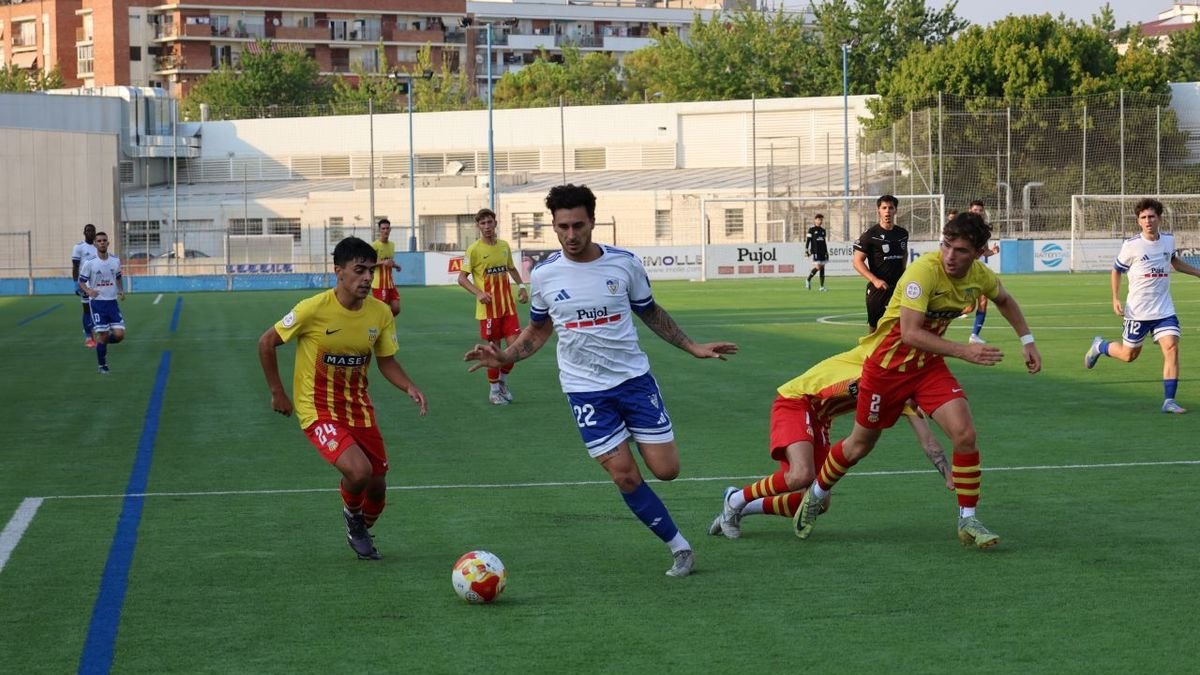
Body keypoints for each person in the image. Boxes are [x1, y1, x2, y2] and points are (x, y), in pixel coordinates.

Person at [464, 184, 737, 577]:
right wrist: (505, 356)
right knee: (625, 475)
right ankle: (680, 548)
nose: (571, 235)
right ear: (554, 227)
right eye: (563, 227)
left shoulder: (623, 264)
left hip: (633, 381)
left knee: (666, 470)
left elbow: (650, 312)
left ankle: (719, 501)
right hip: (585, 390)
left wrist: (691, 346)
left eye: (578, 225)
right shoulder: (543, 275)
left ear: (592, 221)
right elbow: (538, 330)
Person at [794, 212, 1042, 549]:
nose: (950, 256)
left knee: (965, 434)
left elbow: (1005, 300)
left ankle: (968, 520)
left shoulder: (980, 275)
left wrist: (1027, 341)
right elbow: (909, 334)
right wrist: (964, 351)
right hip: (885, 369)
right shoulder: (924, 271)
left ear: (980, 252)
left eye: (961, 250)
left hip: (928, 368)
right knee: (860, 445)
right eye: (946, 246)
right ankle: (815, 495)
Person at [258, 236, 428, 561]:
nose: (367, 278)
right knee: (359, 472)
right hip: (318, 409)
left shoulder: (380, 313)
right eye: (359, 270)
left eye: (371, 272)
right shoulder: (313, 309)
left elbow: (386, 360)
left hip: (359, 410)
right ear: (339, 271)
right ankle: (353, 520)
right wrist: (277, 392)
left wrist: (409, 386)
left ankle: (361, 524)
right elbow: (266, 343)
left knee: (377, 489)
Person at [707, 346, 955, 540]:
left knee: (819, 503)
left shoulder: (903, 392)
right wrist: (862, 389)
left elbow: (929, 443)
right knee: (801, 475)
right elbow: (851, 383)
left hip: (821, 418)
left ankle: (741, 506)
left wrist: (947, 474)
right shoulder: (879, 360)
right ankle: (736, 500)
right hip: (797, 400)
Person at [1085, 197, 1200, 414]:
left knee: (1172, 347)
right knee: (1129, 356)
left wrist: (1197, 273)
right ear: (1138, 221)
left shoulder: (1168, 241)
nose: (1148, 221)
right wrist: (1115, 298)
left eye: (1151, 216)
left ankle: (1169, 401)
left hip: (1164, 309)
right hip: (1138, 312)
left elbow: (1173, 262)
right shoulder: (1131, 245)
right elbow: (1116, 270)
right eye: (1143, 217)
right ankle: (1100, 346)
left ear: (1159, 218)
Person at [457, 208, 528, 405]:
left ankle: (503, 383)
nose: (487, 227)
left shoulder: (504, 246)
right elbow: (461, 278)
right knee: (494, 351)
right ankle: (494, 391)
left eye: (490, 222)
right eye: (483, 223)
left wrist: (522, 287)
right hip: (488, 311)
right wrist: (479, 293)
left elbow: (511, 268)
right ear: (478, 226)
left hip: (508, 308)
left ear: (495, 223)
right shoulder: (473, 250)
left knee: (515, 349)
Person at [853, 195, 909, 331]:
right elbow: (857, 261)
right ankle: (870, 352)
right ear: (878, 210)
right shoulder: (870, 235)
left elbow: (904, 254)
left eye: (891, 208)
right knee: (875, 330)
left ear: (896, 210)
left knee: (900, 328)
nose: (887, 211)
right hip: (878, 290)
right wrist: (875, 280)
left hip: (898, 289)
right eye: (884, 208)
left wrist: (904, 274)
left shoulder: (902, 233)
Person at [77, 231, 125, 374]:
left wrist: (121, 290)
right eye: (99, 241)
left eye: (104, 240)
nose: (102, 242)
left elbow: (118, 276)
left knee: (119, 335)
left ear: (108, 243)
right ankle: (102, 365)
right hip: (97, 303)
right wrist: (89, 291)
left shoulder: (115, 261)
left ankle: (101, 342)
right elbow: (81, 282)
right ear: (95, 244)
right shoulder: (89, 263)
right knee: (103, 333)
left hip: (112, 303)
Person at [966, 200, 1001, 344]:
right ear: (970, 211)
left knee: (983, 300)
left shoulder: (984, 232)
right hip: (964, 269)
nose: (978, 212)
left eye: (980, 210)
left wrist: (992, 252)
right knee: (968, 308)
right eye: (975, 210)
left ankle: (974, 335)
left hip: (976, 269)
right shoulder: (963, 228)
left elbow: (984, 251)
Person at [71, 224, 99, 348]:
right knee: (87, 309)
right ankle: (88, 336)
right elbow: (75, 267)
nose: (90, 233)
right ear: (84, 232)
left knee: (98, 308)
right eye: (88, 231)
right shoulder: (79, 247)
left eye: (92, 231)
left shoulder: (98, 246)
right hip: (85, 283)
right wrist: (76, 283)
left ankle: (96, 330)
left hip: (98, 283)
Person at [370, 218, 401, 316]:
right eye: (383, 228)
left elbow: (389, 262)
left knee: (396, 309)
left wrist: (396, 266)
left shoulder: (392, 245)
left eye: (387, 228)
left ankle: (385, 324)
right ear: (379, 230)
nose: (385, 231)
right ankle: (378, 326)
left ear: (390, 229)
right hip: (379, 284)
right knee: (380, 311)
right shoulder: (374, 245)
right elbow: (369, 263)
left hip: (390, 283)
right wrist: (383, 262)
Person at [805, 213, 829, 291]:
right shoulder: (811, 229)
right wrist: (806, 250)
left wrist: (826, 252)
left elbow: (824, 242)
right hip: (815, 251)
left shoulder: (823, 230)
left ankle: (821, 287)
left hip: (822, 251)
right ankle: (808, 279)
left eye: (821, 220)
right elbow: (808, 240)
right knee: (818, 266)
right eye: (819, 219)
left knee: (822, 268)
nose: (820, 221)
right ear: (815, 220)